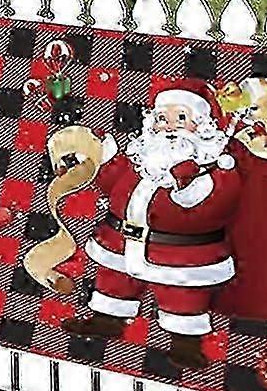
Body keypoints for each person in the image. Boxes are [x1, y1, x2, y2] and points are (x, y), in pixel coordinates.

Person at [62, 78, 242, 373]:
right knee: (113, 280)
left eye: (181, 118)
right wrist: (101, 159)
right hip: (121, 241)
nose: (169, 126)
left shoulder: (214, 169)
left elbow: (216, 204)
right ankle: (107, 319)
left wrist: (189, 186)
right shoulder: (143, 161)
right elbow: (113, 184)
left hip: (179, 254)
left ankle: (186, 342)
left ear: (203, 126)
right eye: (161, 118)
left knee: (182, 296)